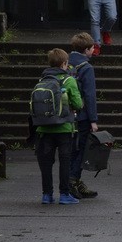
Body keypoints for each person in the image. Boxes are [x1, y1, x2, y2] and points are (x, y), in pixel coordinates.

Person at [35, 48, 84, 205]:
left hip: (43, 128)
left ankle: (46, 195)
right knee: (65, 162)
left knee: (46, 163)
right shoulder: (69, 81)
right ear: (64, 63)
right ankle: (64, 194)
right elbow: (78, 103)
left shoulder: (42, 80)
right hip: (63, 128)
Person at [67, 32, 99, 199]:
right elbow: (90, 95)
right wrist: (93, 119)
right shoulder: (86, 67)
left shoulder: (65, 63)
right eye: (93, 48)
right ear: (86, 49)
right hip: (83, 116)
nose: (94, 50)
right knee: (83, 150)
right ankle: (73, 180)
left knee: (72, 149)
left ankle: (75, 181)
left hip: (66, 114)